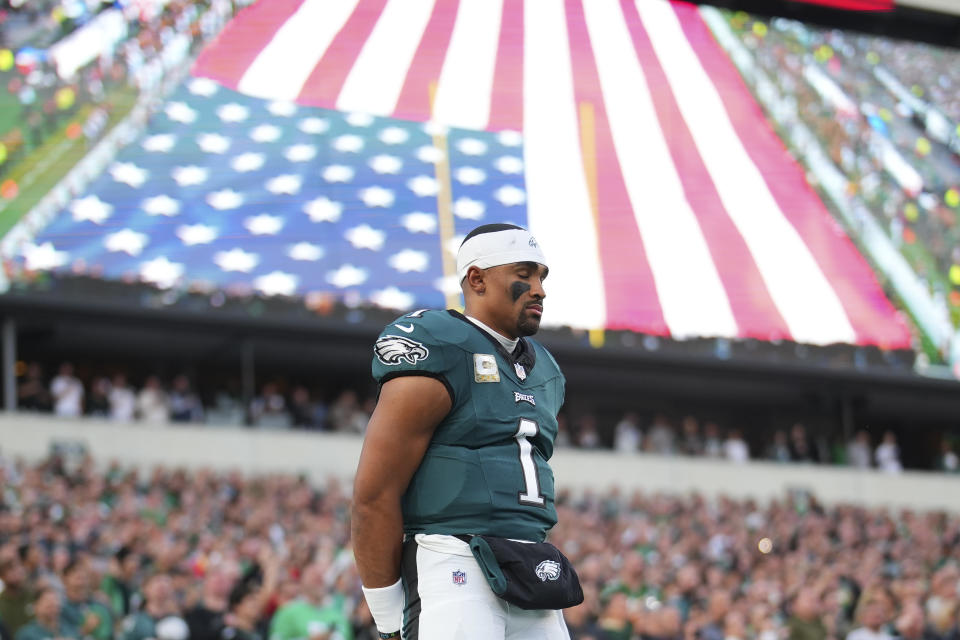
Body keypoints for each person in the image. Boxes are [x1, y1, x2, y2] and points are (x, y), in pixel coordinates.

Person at [352, 223, 574, 638]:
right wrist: (386, 619)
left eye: (542, 276)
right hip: (453, 560)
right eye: (523, 273)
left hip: (531, 566)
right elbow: (374, 492)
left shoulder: (546, 370)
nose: (539, 289)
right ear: (477, 278)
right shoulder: (441, 343)